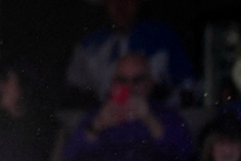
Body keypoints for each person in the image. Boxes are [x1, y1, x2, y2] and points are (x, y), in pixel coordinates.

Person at [61, 52, 194, 161]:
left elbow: (187, 155)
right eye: (122, 80)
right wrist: (97, 126)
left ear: (149, 83)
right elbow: (70, 158)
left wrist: (150, 121)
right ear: (112, 83)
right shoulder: (96, 115)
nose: (129, 87)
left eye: (137, 80)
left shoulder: (166, 115)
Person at [64, 0, 196, 109]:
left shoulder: (164, 38)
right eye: (113, 1)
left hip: (157, 125)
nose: (121, 6)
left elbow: (190, 87)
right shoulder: (87, 46)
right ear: (104, 4)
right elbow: (74, 92)